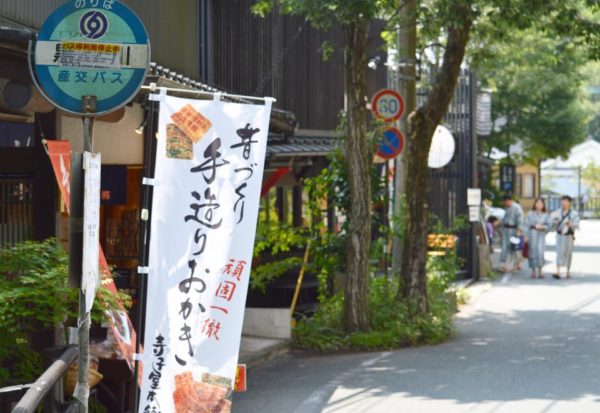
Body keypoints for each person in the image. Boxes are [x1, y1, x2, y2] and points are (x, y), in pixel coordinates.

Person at [552, 195, 580, 279]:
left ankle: (568, 271)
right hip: (559, 235)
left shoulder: (574, 213)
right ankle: (558, 271)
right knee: (558, 252)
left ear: (569, 202)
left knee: (568, 253)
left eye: (565, 201)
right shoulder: (557, 212)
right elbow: (552, 224)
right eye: (562, 201)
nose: (563, 203)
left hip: (569, 236)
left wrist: (571, 224)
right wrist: (554, 222)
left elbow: (577, 224)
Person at [525, 198, 551, 279]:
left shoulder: (546, 215)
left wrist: (543, 226)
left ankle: (541, 270)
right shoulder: (530, 214)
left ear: (543, 205)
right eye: (537, 203)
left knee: (540, 252)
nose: (539, 205)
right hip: (532, 234)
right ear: (535, 204)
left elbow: (549, 225)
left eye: (540, 203)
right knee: (532, 252)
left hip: (541, 235)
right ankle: (533, 270)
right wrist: (526, 236)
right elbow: (526, 225)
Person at [500, 194, 524, 273]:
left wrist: (519, 231)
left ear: (509, 200)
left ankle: (514, 264)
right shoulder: (507, 208)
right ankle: (508, 264)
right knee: (506, 247)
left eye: (506, 202)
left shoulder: (517, 207)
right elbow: (504, 219)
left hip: (514, 230)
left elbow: (520, 219)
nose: (505, 203)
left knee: (514, 248)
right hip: (506, 230)